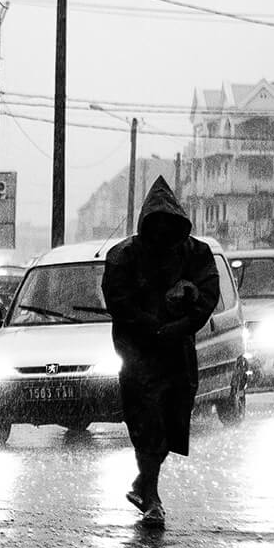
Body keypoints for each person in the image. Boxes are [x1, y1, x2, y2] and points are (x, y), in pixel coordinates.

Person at [102, 177, 219, 528]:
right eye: (158, 224)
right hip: (137, 352)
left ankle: (144, 484)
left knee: (171, 422)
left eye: (171, 225)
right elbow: (118, 301)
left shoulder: (195, 254)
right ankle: (151, 496)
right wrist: (151, 327)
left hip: (177, 352)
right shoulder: (124, 256)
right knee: (146, 421)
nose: (164, 232)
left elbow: (208, 294)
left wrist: (181, 321)